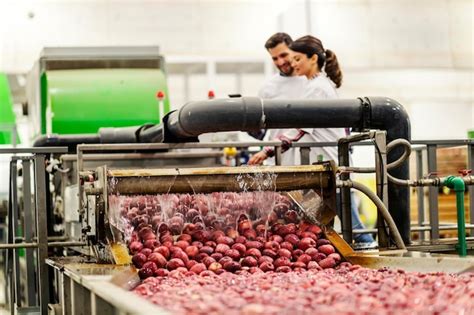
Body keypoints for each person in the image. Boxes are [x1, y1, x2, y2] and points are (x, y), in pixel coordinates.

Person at [250, 34, 374, 244]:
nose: (291, 63)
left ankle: (371, 254)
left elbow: (299, 129)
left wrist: (268, 151)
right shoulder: (318, 85)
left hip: (329, 165)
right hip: (325, 164)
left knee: (351, 224)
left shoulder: (317, 88)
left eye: (297, 59)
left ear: (313, 59)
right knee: (332, 218)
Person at [249, 32, 307, 165]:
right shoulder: (267, 88)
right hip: (277, 159)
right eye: (275, 58)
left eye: (283, 55)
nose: (280, 62)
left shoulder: (310, 82)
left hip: (307, 155)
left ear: (293, 50)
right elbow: (258, 127)